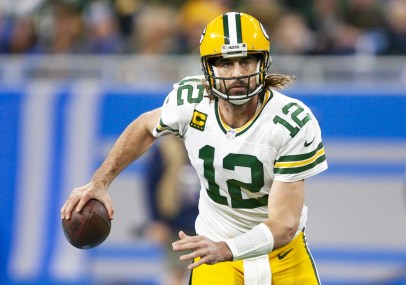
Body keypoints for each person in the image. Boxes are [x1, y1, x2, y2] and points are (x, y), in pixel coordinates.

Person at [61, 12, 328, 284]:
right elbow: (144, 127)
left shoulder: (290, 121)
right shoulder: (190, 102)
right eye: (225, 63)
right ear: (208, 68)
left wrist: (226, 249)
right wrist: (100, 181)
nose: (236, 73)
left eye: (246, 61)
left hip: (282, 255)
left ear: (263, 62)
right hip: (215, 249)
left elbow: (284, 224)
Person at [134, 135, 199, 285]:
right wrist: (156, 220)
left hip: (207, 220)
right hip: (176, 221)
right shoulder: (166, 147)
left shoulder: (210, 141)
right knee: (176, 270)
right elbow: (151, 183)